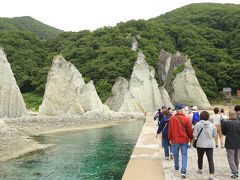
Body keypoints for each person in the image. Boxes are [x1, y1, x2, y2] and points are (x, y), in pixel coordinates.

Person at [168, 103, 193, 178]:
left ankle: (176, 166)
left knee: (176, 154)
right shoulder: (185, 118)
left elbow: (170, 130)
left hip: (175, 140)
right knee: (184, 154)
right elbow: (189, 130)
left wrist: (170, 138)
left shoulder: (172, 118)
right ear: (181, 109)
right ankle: (183, 171)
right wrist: (191, 138)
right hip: (184, 139)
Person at [194, 111, 217, 180]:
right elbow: (215, 135)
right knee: (210, 159)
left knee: (200, 157)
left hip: (200, 144)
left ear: (200, 116)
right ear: (208, 117)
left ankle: (200, 169)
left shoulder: (197, 124)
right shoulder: (212, 125)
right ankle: (211, 174)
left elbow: (195, 135)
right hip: (209, 144)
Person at [221, 111, 240, 179]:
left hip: (230, 142)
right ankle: (236, 170)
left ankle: (234, 172)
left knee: (231, 158)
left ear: (230, 116)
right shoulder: (239, 122)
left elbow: (224, 133)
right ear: (235, 115)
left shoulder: (226, 123)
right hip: (238, 143)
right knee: (237, 157)